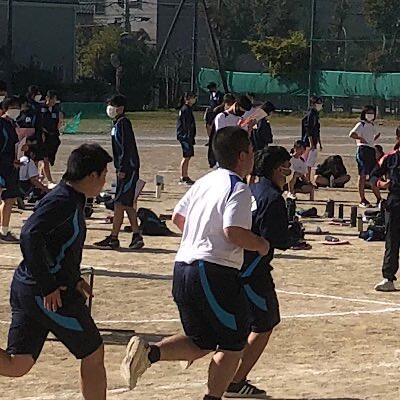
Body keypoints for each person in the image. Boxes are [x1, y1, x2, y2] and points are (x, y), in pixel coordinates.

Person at [120, 126, 270, 400]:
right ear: (241, 156)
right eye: (251, 151)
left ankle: (149, 353)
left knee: (202, 340)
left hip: (183, 268)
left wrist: (200, 235)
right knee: (233, 343)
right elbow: (233, 231)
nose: (253, 156)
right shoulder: (238, 188)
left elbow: (178, 217)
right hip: (213, 271)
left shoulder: (204, 181)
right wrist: (261, 244)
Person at [0, 144, 112, 400]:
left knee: (18, 364)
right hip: (47, 295)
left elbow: (56, 246)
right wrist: (48, 285)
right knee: (93, 352)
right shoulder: (63, 201)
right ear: (91, 175)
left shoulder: (70, 198)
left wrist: (75, 279)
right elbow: (29, 235)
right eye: (104, 174)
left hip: (30, 287)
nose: (105, 181)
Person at [224, 146, 292, 398]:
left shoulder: (252, 189)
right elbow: (276, 239)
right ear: (276, 169)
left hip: (235, 264)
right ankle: (235, 381)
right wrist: (293, 234)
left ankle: (231, 377)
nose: (288, 171)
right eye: (286, 166)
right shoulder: (273, 198)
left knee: (241, 325)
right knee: (264, 323)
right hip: (253, 271)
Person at [94, 94, 144, 250]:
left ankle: (123, 236)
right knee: (123, 203)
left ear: (120, 108)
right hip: (123, 168)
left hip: (128, 169)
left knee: (122, 203)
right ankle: (125, 236)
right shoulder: (117, 124)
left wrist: (123, 168)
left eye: (113, 105)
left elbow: (125, 148)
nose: (110, 108)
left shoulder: (123, 123)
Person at [370, 145, 400, 292]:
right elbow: (373, 176)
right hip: (395, 202)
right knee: (392, 241)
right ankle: (388, 278)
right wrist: (381, 183)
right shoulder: (390, 158)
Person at [349, 105, 382, 208]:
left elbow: (377, 134)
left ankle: (379, 198)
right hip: (363, 150)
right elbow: (352, 134)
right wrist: (360, 139)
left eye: (372, 113)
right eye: (368, 113)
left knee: (373, 174)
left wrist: (372, 141)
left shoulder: (371, 125)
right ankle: (362, 199)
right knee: (362, 175)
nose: (370, 115)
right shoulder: (361, 124)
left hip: (370, 150)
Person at [0, 96, 21, 243]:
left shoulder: (12, 124)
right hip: (2, 166)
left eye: (17, 107)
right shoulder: (1, 124)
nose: (16, 110)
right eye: (13, 107)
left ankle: (4, 231)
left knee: (10, 198)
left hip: (10, 167)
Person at [40, 90, 63, 185]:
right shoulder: (41, 108)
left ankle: (41, 177)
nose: (53, 101)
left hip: (53, 137)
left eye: (55, 99)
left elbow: (59, 123)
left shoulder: (56, 110)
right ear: (47, 98)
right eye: (52, 99)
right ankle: (49, 180)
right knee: (45, 159)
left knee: (49, 159)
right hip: (44, 137)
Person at [208, 94, 236, 168]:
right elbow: (210, 124)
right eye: (229, 104)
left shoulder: (234, 112)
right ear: (225, 103)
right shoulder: (218, 111)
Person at [176, 92, 197, 186]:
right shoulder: (185, 109)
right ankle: (183, 177)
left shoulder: (188, 109)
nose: (194, 99)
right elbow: (186, 124)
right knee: (186, 156)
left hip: (187, 136)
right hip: (185, 136)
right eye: (193, 97)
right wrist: (188, 136)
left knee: (188, 156)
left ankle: (185, 175)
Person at [301, 96, 323, 180]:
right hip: (309, 142)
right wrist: (311, 143)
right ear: (313, 104)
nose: (320, 105)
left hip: (314, 140)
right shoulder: (311, 114)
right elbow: (309, 129)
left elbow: (317, 130)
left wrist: (319, 142)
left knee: (310, 162)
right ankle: (307, 179)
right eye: (318, 103)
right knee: (307, 162)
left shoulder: (315, 114)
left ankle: (307, 179)